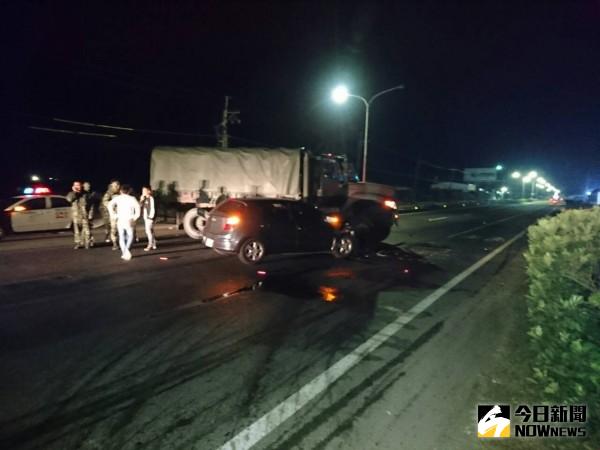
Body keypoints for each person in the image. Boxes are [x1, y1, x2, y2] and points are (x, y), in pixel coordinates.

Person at [108, 184, 140, 261]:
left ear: (121, 191)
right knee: (130, 236)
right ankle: (126, 251)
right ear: (129, 191)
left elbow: (109, 205)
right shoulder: (132, 198)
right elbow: (138, 210)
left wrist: (114, 215)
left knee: (121, 236)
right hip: (129, 219)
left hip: (120, 219)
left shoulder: (117, 198)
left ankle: (124, 252)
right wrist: (134, 218)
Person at [66, 180, 90, 249]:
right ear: (73, 186)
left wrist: (90, 213)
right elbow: (69, 199)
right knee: (77, 231)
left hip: (84, 215)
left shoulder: (85, 194)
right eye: (75, 185)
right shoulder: (71, 194)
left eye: (78, 185)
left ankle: (87, 243)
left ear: (81, 186)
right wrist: (74, 192)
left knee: (86, 230)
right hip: (76, 215)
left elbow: (89, 203)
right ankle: (78, 243)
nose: (77, 187)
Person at [100, 180, 120, 250]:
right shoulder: (108, 193)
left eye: (117, 185)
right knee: (113, 229)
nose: (116, 187)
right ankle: (115, 243)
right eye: (115, 186)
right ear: (111, 186)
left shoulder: (121, 192)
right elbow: (104, 201)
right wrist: (112, 205)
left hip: (121, 214)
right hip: (112, 214)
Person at [140, 186, 157, 251]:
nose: (143, 192)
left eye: (145, 190)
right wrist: (141, 200)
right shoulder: (144, 198)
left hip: (149, 217)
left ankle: (150, 245)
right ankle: (154, 244)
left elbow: (153, 208)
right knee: (151, 230)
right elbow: (140, 206)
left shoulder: (151, 198)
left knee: (148, 231)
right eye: (142, 190)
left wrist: (151, 217)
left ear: (149, 191)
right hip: (145, 217)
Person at [83, 181, 98, 247]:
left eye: (88, 186)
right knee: (86, 229)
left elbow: (92, 206)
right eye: (86, 186)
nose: (88, 187)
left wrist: (90, 214)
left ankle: (89, 242)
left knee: (88, 228)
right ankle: (89, 241)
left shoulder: (91, 195)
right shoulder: (82, 194)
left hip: (87, 214)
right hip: (82, 214)